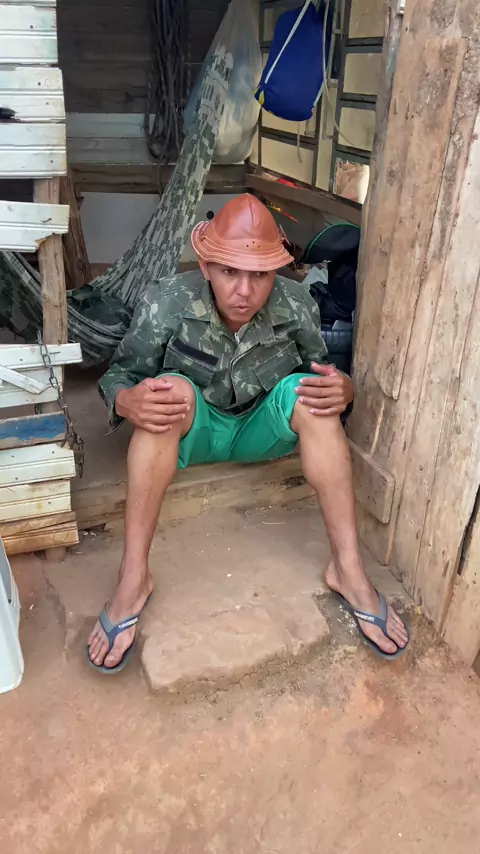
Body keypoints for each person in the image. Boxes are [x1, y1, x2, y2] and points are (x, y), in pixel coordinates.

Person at [88, 194, 409, 673]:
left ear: (276, 270)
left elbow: (317, 372)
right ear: (206, 265)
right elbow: (121, 374)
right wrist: (125, 399)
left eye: (260, 274)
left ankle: (348, 569)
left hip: (262, 431)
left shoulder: (297, 304)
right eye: (229, 272)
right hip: (195, 433)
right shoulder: (165, 301)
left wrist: (343, 388)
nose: (244, 290)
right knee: (166, 393)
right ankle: (133, 578)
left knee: (309, 395)